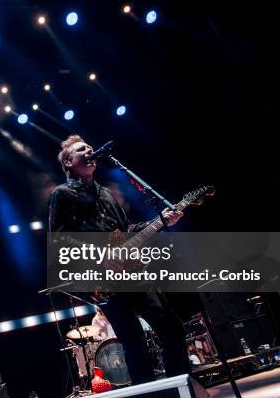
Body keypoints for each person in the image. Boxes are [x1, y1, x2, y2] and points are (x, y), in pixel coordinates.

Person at [48, 135, 191, 384]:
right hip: (104, 283)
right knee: (133, 343)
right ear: (69, 162)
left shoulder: (105, 193)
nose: (90, 150)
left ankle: (180, 388)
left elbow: (126, 231)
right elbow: (59, 240)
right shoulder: (63, 194)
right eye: (82, 149)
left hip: (132, 274)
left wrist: (160, 221)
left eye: (91, 147)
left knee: (171, 328)